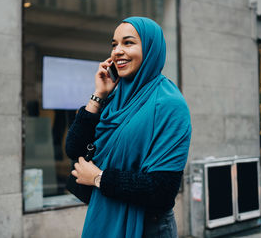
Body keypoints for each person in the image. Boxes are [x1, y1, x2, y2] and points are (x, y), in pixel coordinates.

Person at [66, 17, 192, 238]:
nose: (117, 51)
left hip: (148, 227)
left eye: (128, 43)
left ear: (151, 49)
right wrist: (99, 95)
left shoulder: (169, 103)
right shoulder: (114, 99)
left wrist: (99, 178)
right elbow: (74, 150)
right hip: (105, 214)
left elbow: (163, 190)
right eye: (114, 44)